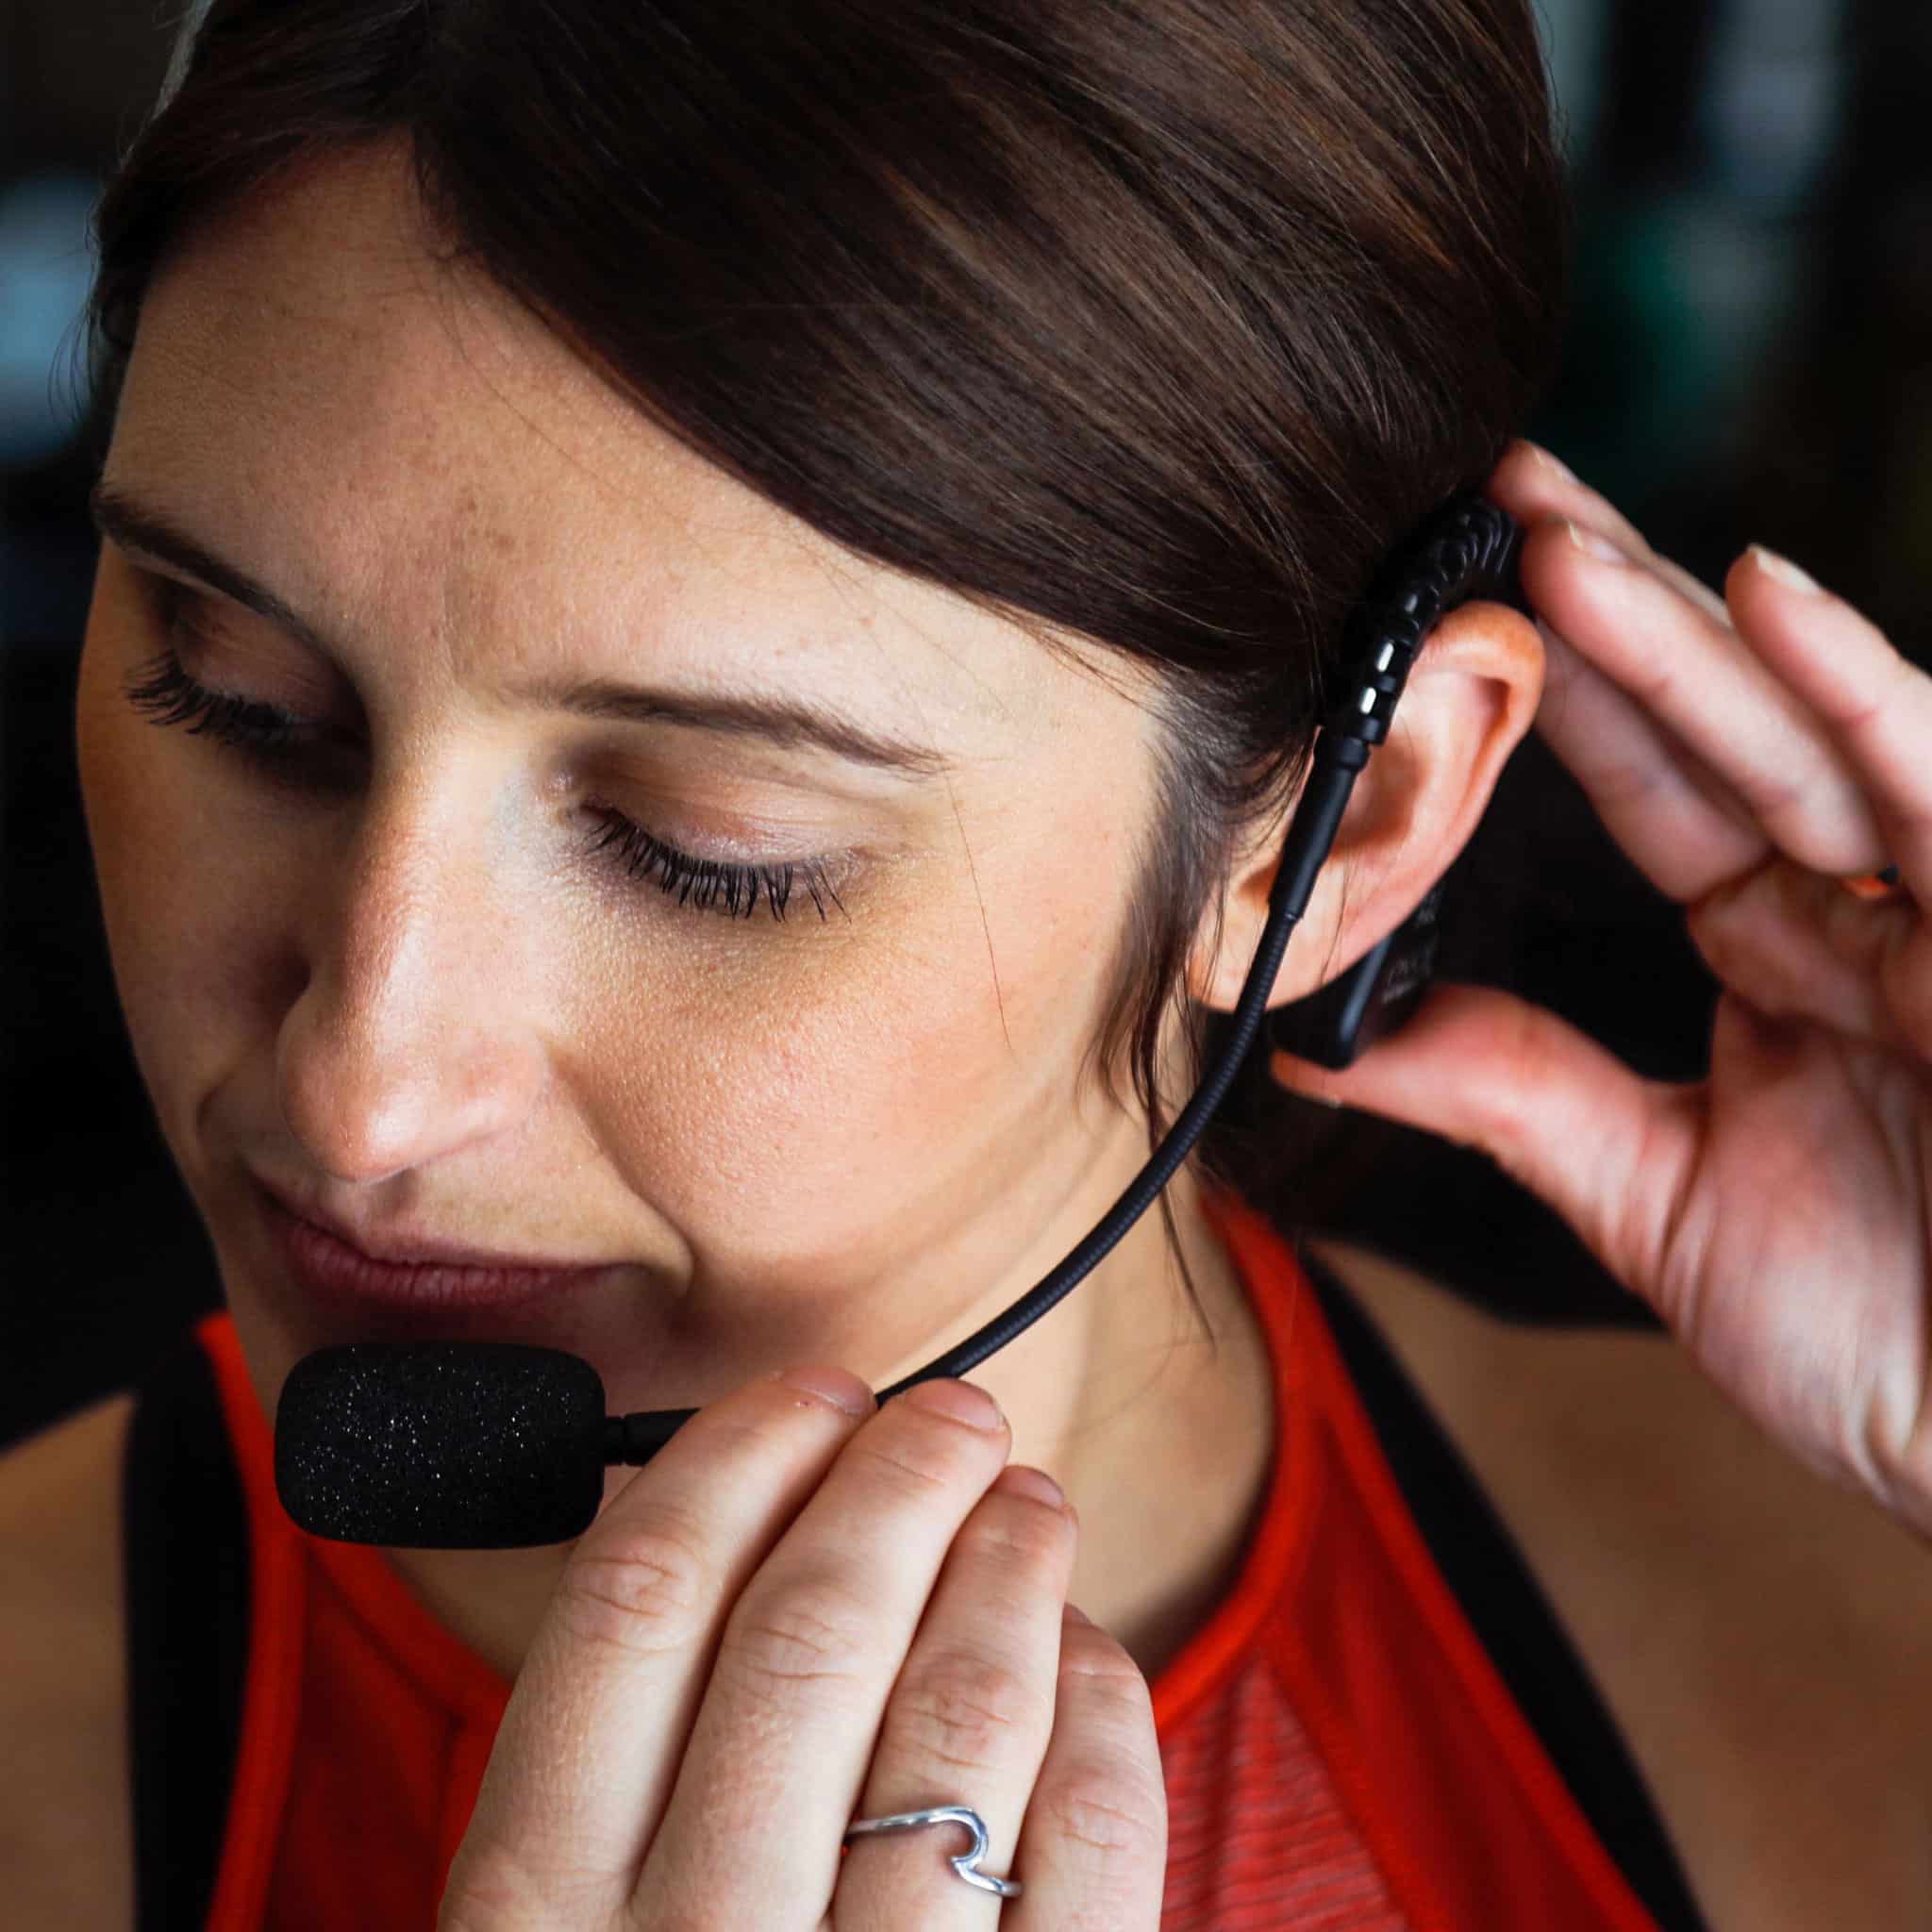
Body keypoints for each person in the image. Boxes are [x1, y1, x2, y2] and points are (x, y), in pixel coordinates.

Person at [5, 0, 1931, 1925]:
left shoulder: (1860, 1682)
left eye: (713, 853)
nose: (358, 1089)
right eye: (232, 699)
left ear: (1342, 830)